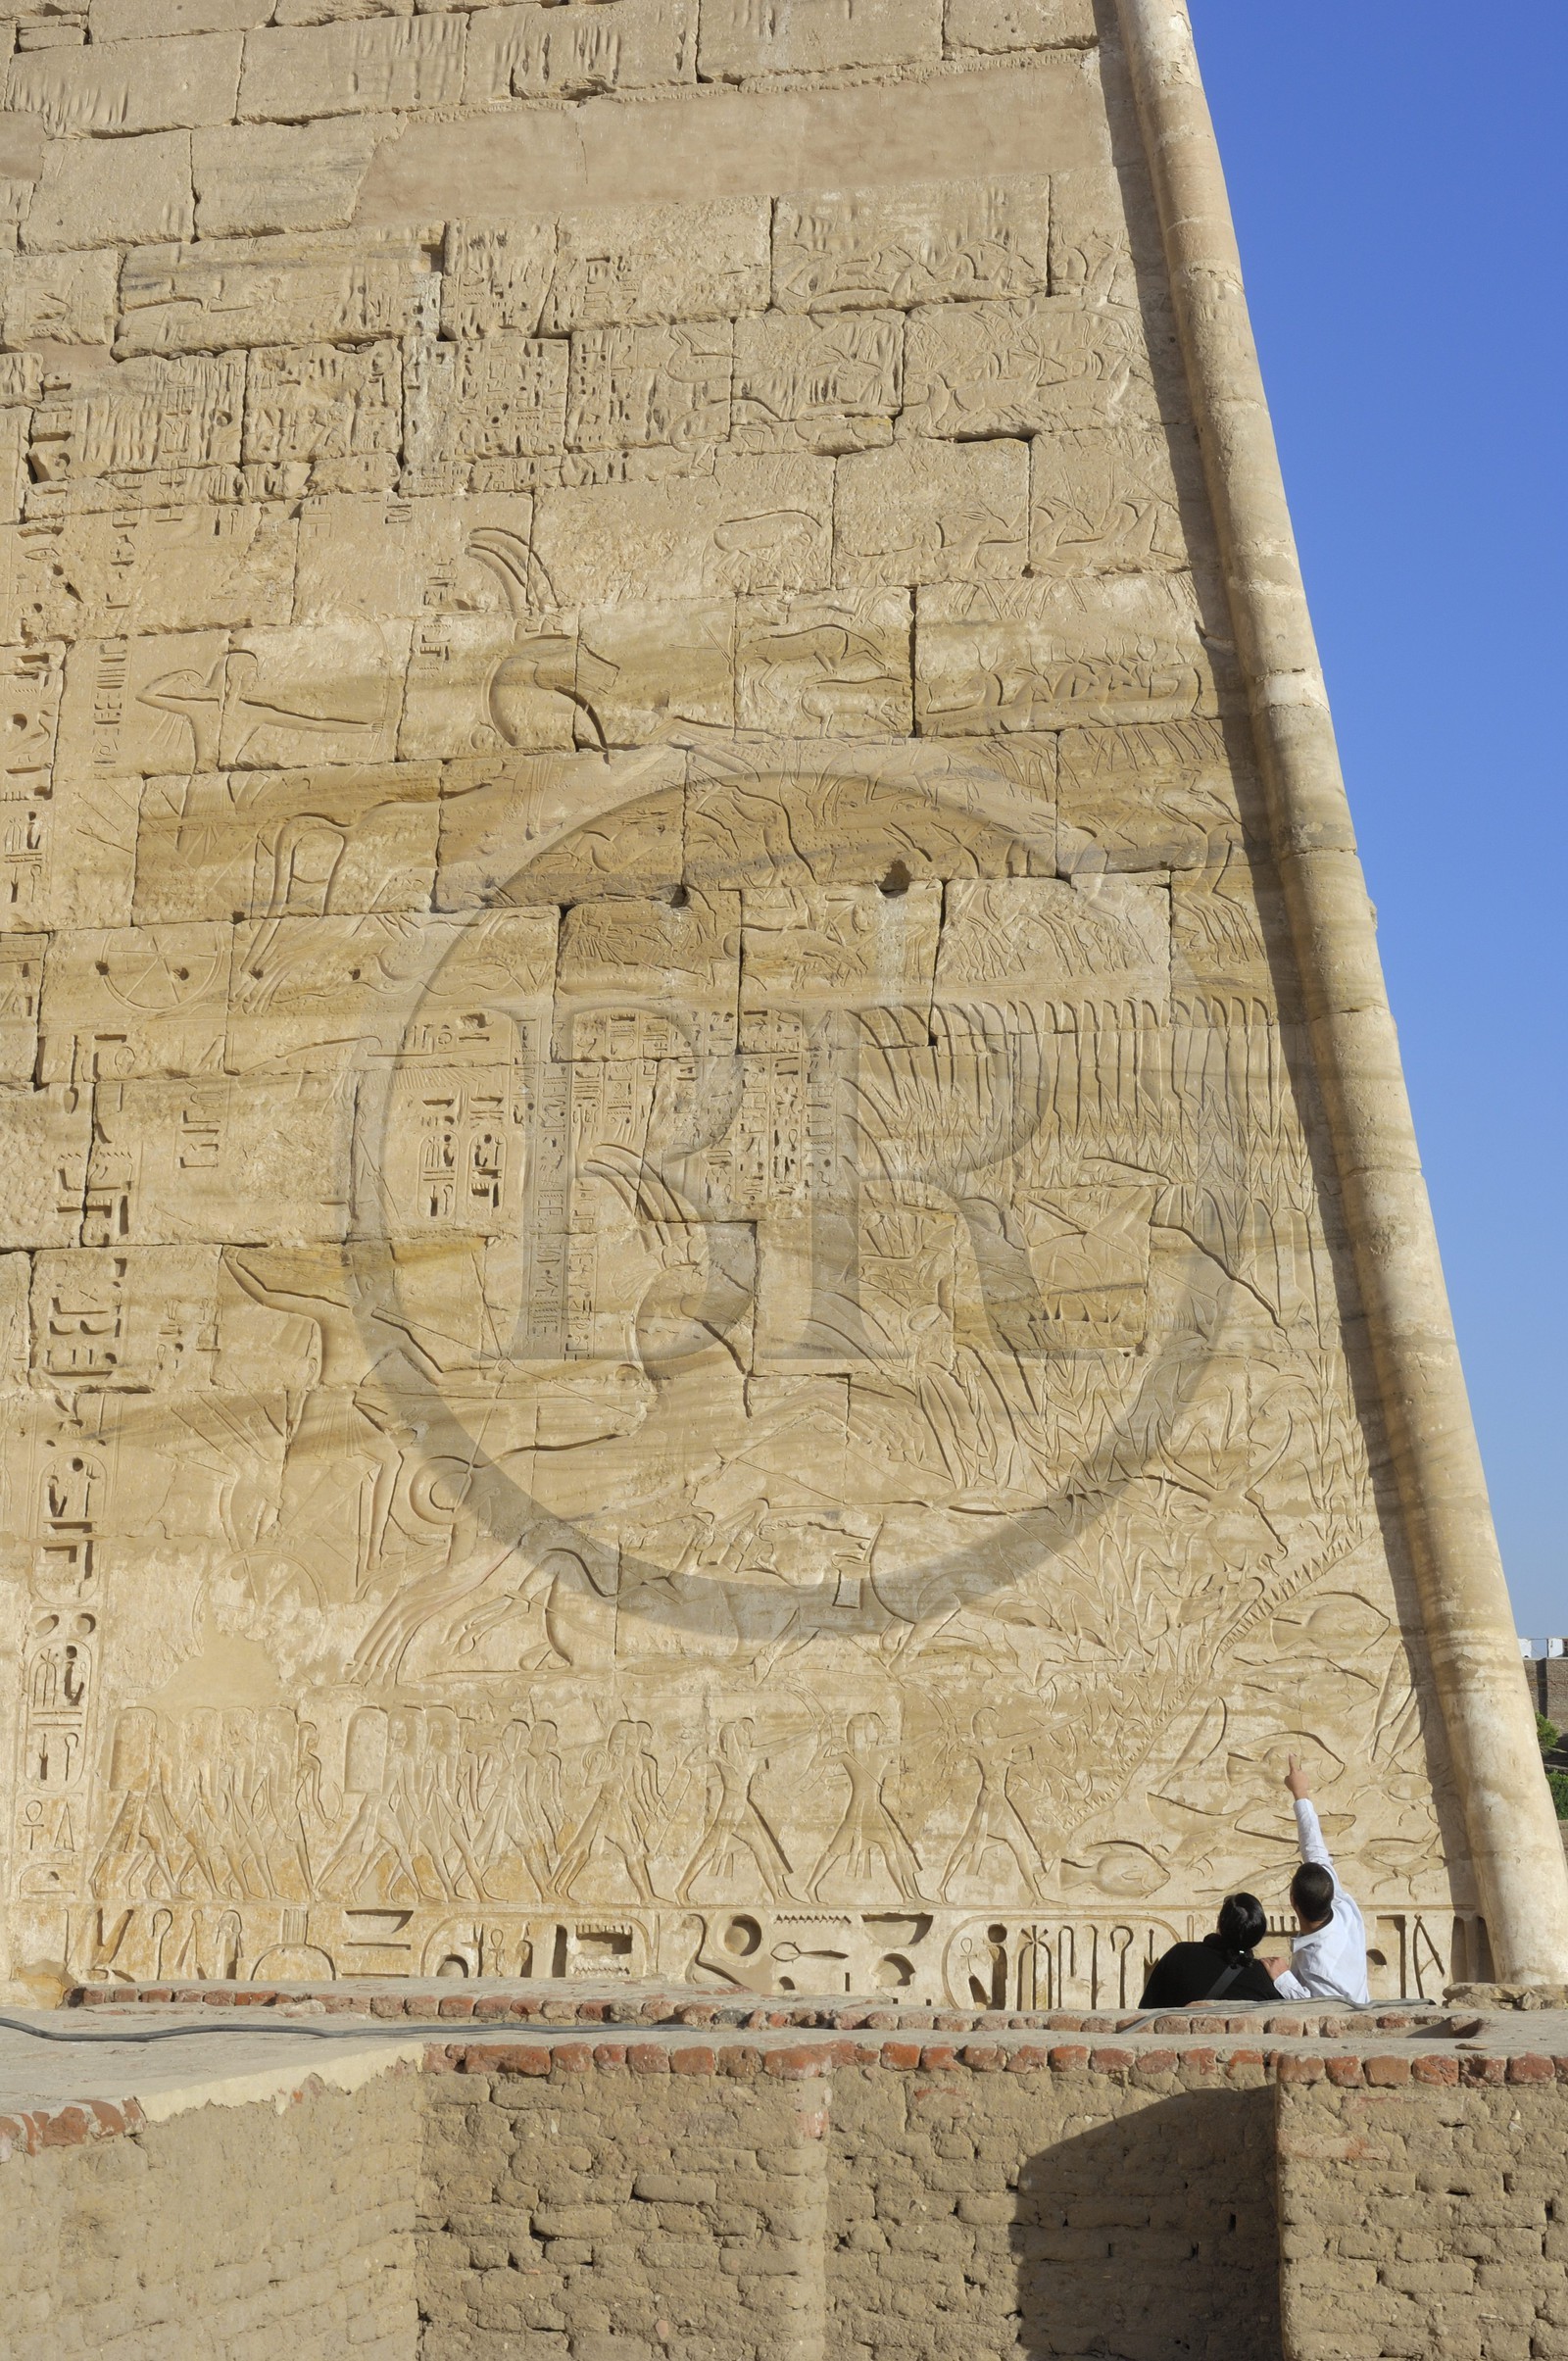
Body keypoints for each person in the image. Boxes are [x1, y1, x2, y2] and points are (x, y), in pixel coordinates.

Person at [1261, 1756, 1370, 2005]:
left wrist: (1283, 1979)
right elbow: (1314, 1849)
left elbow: (1326, 2009)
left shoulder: (1318, 1964)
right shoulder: (1343, 1908)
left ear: (1293, 1901)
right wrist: (1300, 1793)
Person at [1139, 1892, 1282, 2006]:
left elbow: (1147, 2010)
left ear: (1219, 1922)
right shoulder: (1266, 1978)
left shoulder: (1180, 1955)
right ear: (1259, 1933)